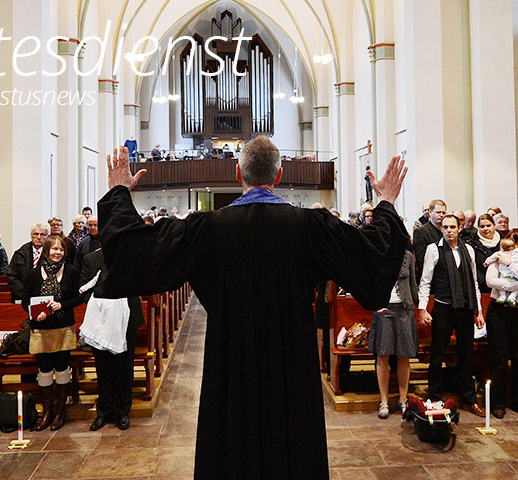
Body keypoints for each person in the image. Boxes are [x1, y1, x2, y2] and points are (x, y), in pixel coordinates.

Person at [98, 136, 409, 479]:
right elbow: (372, 256)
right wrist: (386, 202)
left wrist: (119, 194)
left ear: (237, 174)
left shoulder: (208, 229)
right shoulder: (310, 227)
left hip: (231, 363)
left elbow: (136, 254)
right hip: (291, 365)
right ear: (279, 176)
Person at [417, 214, 486, 417]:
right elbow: (426, 281)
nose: (449, 230)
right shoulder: (434, 249)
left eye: (452, 227)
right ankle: (435, 398)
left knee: (466, 355)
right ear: (441, 229)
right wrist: (423, 309)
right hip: (443, 309)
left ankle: (469, 399)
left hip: (465, 309)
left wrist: (479, 311)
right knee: (437, 356)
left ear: (459, 228)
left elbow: (474, 282)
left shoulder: (469, 250)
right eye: (445, 227)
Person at [22, 235, 84, 431]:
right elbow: (25, 301)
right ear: (46, 251)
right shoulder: (33, 274)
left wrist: (61, 304)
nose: (58, 253)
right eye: (54, 249)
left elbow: (78, 298)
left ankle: (60, 412)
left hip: (63, 327)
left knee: (62, 367)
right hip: (41, 328)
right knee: (45, 369)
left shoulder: (72, 272)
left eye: (61, 250)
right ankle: (47, 411)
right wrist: (34, 313)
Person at [79, 248, 143, 431]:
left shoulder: (131, 255)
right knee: (103, 367)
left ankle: (122, 411)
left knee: (124, 366)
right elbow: (83, 285)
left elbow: (143, 281)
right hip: (100, 320)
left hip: (127, 319)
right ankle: (104, 411)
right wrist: (99, 304)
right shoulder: (91, 259)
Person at [485, 228, 518, 419]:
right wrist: (515, 285)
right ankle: (498, 403)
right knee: (498, 358)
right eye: (510, 242)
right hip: (498, 312)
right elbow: (490, 281)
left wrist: (511, 265)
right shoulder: (497, 257)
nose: (512, 247)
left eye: (516, 244)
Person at [371, 245, 417, 419]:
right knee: (383, 355)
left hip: (404, 309)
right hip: (384, 310)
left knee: (404, 355)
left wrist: (421, 308)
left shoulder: (408, 256)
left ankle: (403, 399)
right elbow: (370, 282)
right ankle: (384, 400)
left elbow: (413, 283)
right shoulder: (376, 253)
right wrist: (374, 302)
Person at [7, 223, 50, 303]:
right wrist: (26, 293)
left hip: (44, 298)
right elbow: (11, 276)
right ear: (31, 235)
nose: (39, 237)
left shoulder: (52, 254)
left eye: (43, 234)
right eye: (36, 234)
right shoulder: (20, 253)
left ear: (48, 236)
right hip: (21, 297)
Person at [484, 237, 518, 305]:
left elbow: (491, 258)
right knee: (516, 289)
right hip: (514, 276)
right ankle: (512, 297)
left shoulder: (499, 254)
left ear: (501, 247)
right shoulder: (516, 253)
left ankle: (502, 296)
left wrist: (486, 262)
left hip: (504, 276)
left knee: (501, 288)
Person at [413, 199, 447, 282]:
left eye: (443, 213)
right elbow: (421, 260)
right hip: (430, 278)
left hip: (446, 277)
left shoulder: (447, 230)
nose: (441, 215)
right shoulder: (420, 232)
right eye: (438, 212)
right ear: (430, 212)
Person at [467, 214, 500, 293]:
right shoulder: (472, 243)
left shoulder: (503, 241)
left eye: (488, 225)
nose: (485, 229)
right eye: (482, 226)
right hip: (482, 286)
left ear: (494, 225)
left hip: (500, 284)